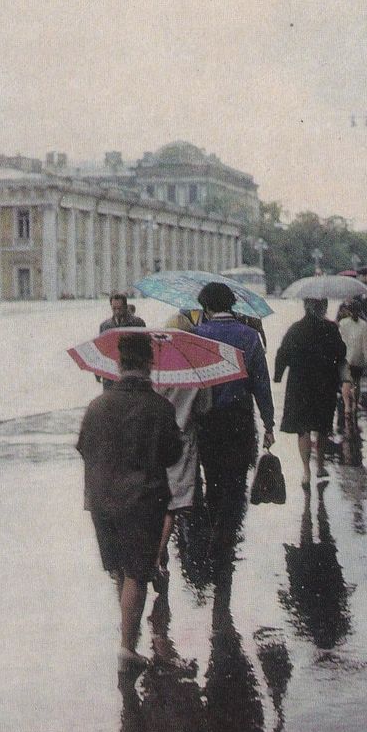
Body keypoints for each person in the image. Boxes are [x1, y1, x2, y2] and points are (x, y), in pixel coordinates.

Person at [77, 332, 183, 673]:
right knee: (138, 572)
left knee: (121, 570)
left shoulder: (97, 405)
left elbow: (84, 449)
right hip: (142, 500)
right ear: (149, 364)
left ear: (119, 364)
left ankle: (128, 633)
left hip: (102, 501)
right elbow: (172, 455)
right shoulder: (160, 407)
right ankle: (127, 649)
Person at [193, 282, 275, 539]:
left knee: (213, 474)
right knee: (237, 477)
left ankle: (215, 521)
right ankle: (228, 531)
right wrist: (269, 424)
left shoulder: (197, 335)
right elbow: (261, 383)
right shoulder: (249, 336)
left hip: (207, 418)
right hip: (240, 416)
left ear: (206, 306)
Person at [154, 311, 212, 588]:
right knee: (173, 502)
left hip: (154, 439)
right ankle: (160, 550)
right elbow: (205, 408)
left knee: (155, 497)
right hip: (182, 440)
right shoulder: (196, 368)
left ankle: (158, 549)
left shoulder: (156, 366)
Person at [274, 297, 346, 488]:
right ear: (323, 307)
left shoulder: (296, 329)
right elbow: (341, 353)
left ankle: (306, 470)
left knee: (303, 428)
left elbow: (283, 353)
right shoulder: (331, 328)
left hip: (300, 385)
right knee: (322, 426)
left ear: (305, 306)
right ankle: (320, 465)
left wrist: (278, 375)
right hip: (324, 384)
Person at [98, 293, 146, 390]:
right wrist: (98, 372)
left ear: (125, 306)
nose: (117, 311)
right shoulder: (105, 326)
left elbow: (144, 348)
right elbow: (101, 348)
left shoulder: (137, 323)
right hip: (110, 372)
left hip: (131, 370)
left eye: (119, 308)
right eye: (114, 309)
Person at [338, 299, 367, 425]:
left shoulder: (343, 323)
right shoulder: (363, 324)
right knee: (356, 382)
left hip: (345, 358)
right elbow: (366, 343)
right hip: (358, 358)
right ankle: (355, 405)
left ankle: (347, 406)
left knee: (346, 382)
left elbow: (340, 340)